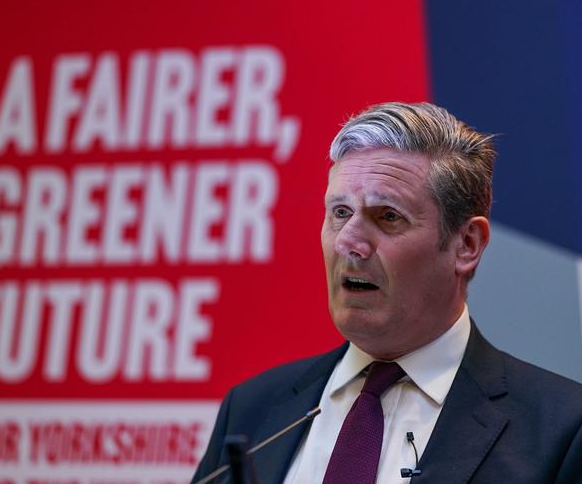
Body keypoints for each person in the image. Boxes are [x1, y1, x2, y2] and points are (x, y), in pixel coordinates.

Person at [191, 102, 582, 483]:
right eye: (340, 213)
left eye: (387, 216)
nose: (349, 242)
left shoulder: (560, 430)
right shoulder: (251, 410)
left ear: (467, 244)